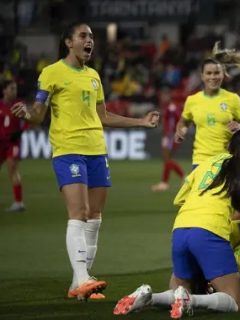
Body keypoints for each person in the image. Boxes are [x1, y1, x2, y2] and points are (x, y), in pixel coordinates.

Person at [10, 22, 159, 301]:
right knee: (78, 213)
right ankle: (82, 279)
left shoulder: (93, 76)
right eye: (83, 36)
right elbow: (39, 114)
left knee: (95, 219)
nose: (89, 40)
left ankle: (79, 283)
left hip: (97, 151)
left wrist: (141, 121)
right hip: (68, 150)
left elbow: (103, 116)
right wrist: (26, 114)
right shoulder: (51, 72)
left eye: (91, 37)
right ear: (68, 42)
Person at [116, 129, 240, 318]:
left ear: (228, 146)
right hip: (210, 231)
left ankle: (149, 297)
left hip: (181, 229)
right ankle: (191, 301)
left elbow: (179, 200)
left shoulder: (206, 164)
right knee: (234, 301)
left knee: (179, 288)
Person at [175, 42, 240, 170]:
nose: (213, 77)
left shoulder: (233, 99)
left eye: (216, 73)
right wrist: (181, 131)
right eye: (209, 73)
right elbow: (184, 123)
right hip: (200, 161)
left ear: (223, 75)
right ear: (202, 76)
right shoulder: (192, 100)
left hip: (226, 160)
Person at [0, 80, 26, 212]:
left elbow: (28, 120)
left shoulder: (19, 104)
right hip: (1, 143)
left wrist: (20, 132)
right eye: (11, 88)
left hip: (13, 143)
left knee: (12, 168)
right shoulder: (0, 104)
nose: (14, 91)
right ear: (4, 90)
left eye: (15, 88)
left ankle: (19, 202)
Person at [152, 89, 185, 191]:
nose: (162, 96)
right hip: (169, 135)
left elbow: (176, 120)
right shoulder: (167, 106)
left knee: (167, 158)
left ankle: (183, 177)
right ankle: (164, 183)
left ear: (168, 95)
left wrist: (169, 134)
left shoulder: (171, 107)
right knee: (167, 159)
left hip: (171, 136)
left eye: (164, 94)